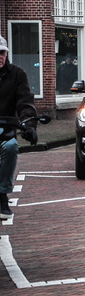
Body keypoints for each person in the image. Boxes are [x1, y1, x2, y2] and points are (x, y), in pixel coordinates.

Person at [0, 35, 38, 220]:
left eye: (2, 52)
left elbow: (25, 101)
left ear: (6, 53)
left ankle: (2, 195)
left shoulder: (17, 74)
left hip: (5, 127)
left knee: (10, 147)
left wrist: (29, 125)